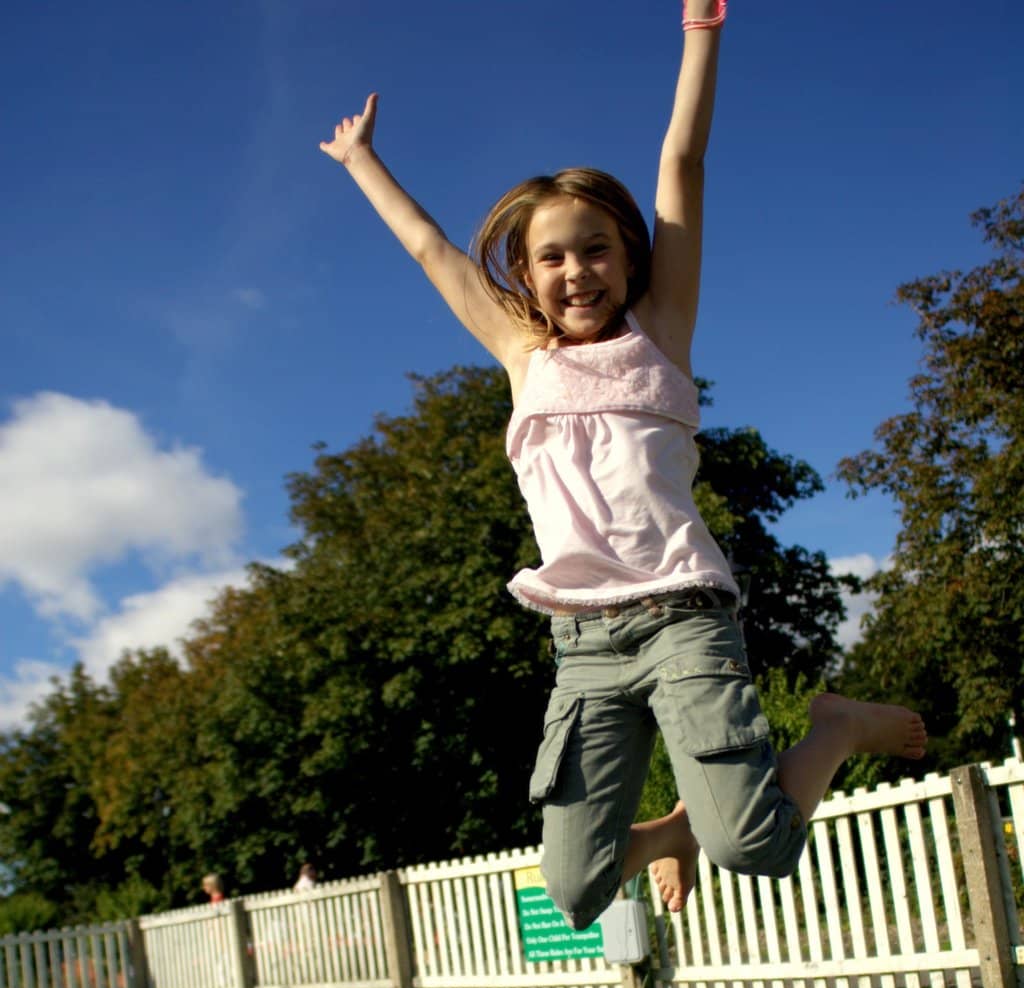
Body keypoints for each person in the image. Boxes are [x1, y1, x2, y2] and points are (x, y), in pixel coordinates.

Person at [320, 0, 926, 929]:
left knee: (754, 846)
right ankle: (671, 831)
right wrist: (363, 160)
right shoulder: (524, 357)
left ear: (629, 256)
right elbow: (428, 250)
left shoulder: (662, 331)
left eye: (596, 249)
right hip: (583, 647)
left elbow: (681, 165)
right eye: (553, 257)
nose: (577, 271)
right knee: (575, 889)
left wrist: (703, 34)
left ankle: (835, 727)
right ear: (526, 276)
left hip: (683, 618)